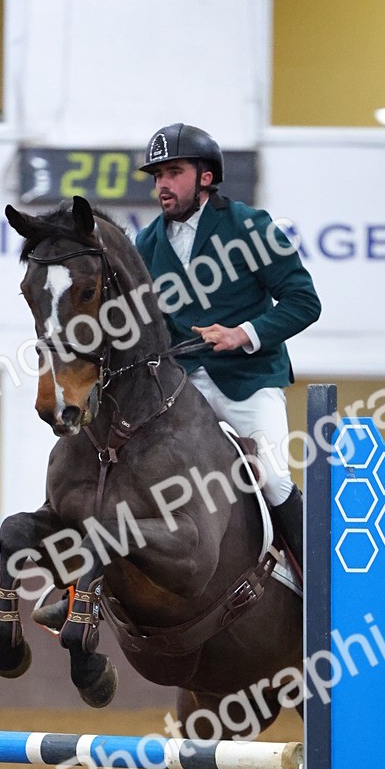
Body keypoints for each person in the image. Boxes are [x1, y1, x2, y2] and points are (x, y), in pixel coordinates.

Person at [134, 122, 321, 576]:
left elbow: (304, 302)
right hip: (184, 389)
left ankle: (320, 591)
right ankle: (86, 594)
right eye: (157, 175)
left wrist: (244, 333)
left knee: (273, 477)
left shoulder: (249, 227)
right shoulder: (147, 243)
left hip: (250, 382)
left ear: (205, 177)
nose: (162, 184)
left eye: (173, 172)